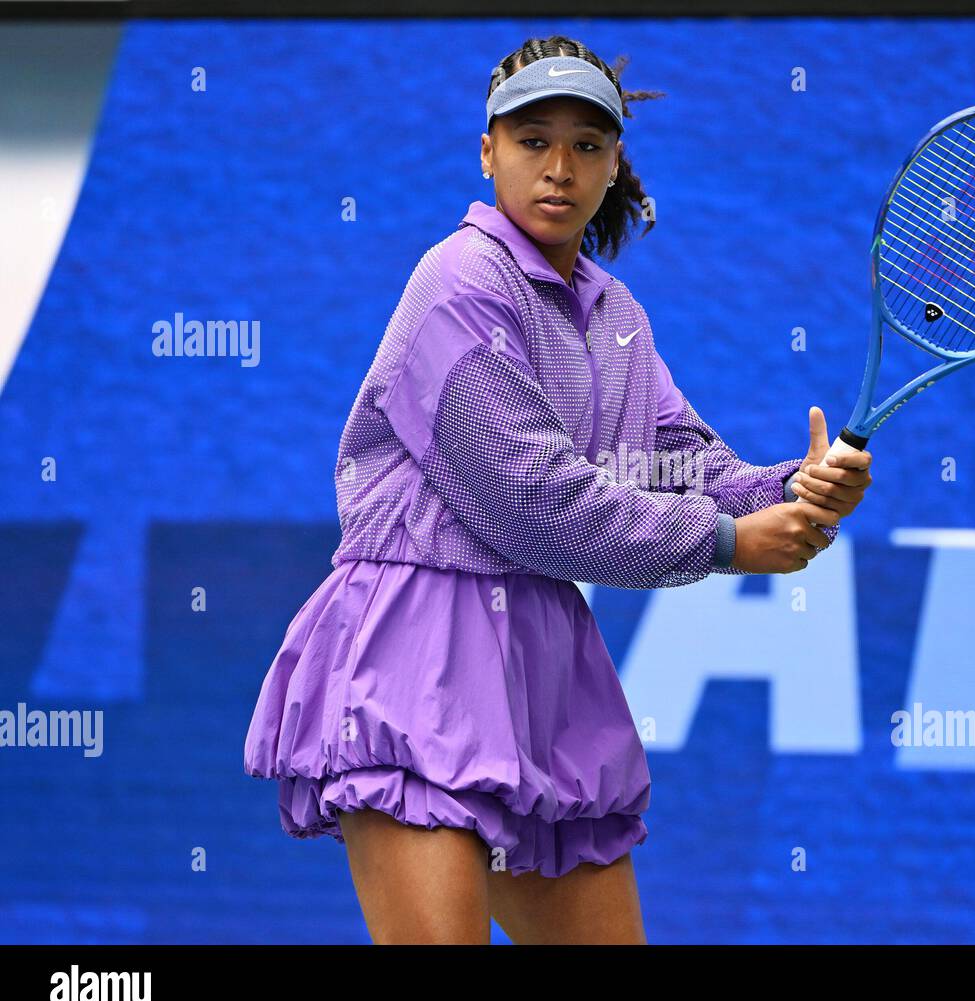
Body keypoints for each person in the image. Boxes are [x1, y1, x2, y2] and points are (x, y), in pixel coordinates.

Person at [242, 33, 873, 945]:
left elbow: (677, 463)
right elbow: (537, 502)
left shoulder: (616, 314)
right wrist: (733, 543)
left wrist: (794, 486)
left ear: (617, 164)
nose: (560, 167)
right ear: (488, 150)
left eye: (587, 145)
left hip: (543, 672)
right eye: (533, 140)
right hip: (416, 656)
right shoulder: (458, 283)